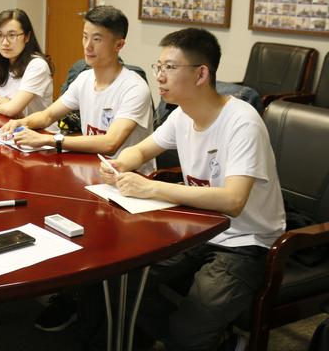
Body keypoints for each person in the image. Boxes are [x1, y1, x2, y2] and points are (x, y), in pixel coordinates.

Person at [100, 28, 285, 350]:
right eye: (159, 66)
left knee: (189, 329)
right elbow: (141, 151)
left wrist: (152, 189)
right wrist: (120, 164)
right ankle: (206, 340)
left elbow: (233, 200)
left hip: (246, 243)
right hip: (199, 228)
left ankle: (200, 339)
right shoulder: (182, 115)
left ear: (201, 74)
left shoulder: (242, 122)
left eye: (170, 68)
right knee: (121, 278)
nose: (160, 76)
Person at [0, 6, 154, 175]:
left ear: (119, 44)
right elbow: (48, 116)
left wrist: (49, 139)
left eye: (97, 39)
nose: (88, 46)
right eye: (85, 36)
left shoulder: (135, 88)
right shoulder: (84, 79)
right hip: (92, 169)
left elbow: (110, 143)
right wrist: (22, 123)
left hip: (130, 177)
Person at [0, 8, 53, 117]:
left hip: (35, 127)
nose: (5, 42)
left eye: (12, 35)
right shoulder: (3, 63)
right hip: (9, 124)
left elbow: (12, 110)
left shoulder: (37, 65)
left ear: (27, 37)